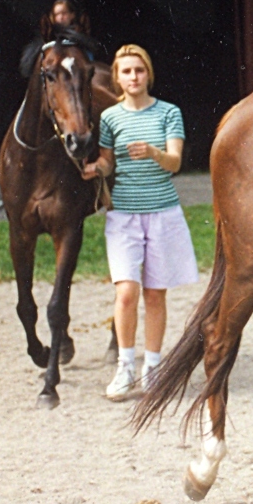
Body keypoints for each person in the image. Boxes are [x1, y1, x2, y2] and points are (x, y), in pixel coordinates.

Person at [82, 44, 198, 401]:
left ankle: (153, 368)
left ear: (148, 74)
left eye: (139, 70)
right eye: (127, 71)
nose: (133, 77)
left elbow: (175, 163)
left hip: (162, 213)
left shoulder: (169, 113)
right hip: (124, 216)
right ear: (117, 77)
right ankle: (124, 367)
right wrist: (96, 169)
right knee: (127, 292)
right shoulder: (111, 118)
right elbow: (108, 161)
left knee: (154, 293)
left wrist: (154, 152)